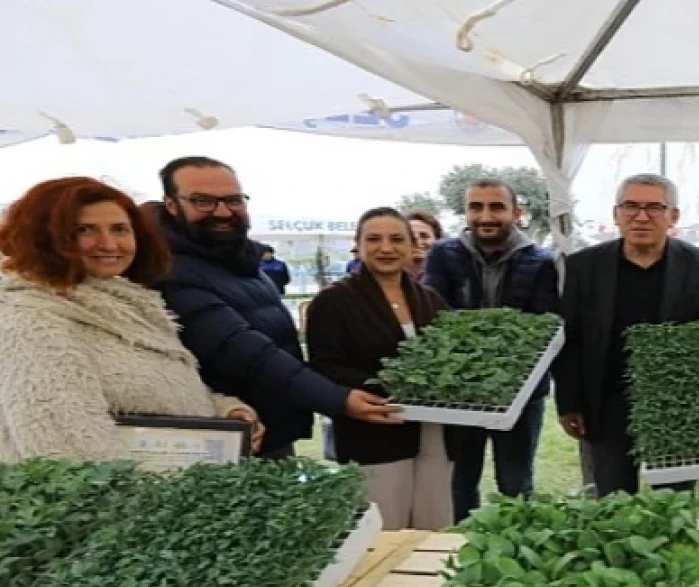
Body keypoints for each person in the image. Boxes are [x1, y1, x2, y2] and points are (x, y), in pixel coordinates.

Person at [0, 177, 262, 462]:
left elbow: (156, 394)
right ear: (42, 238)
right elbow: (63, 451)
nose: (109, 243)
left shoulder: (127, 303)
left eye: (120, 229)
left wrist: (223, 414)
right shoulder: (32, 319)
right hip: (111, 503)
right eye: (84, 230)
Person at [153, 156, 398, 459]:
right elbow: (245, 350)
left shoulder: (238, 259)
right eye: (203, 201)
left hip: (272, 429)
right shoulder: (172, 271)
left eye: (233, 200)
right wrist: (335, 398)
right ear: (172, 204)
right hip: (230, 437)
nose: (223, 212)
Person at [554, 173, 699, 495]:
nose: (641, 216)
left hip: (674, 406)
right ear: (616, 214)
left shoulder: (698, 264)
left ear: (672, 215)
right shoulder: (584, 266)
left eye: (654, 207)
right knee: (613, 500)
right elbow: (571, 338)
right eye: (631, 206)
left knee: (674, 501)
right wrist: (568, 402)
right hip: (606, 404)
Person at [307, 208, 455, 529]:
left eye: (397, 239)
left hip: (433, 432)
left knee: (433, 523)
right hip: (374, 430)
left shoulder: (431, 299)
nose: (386, 248)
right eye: (374, 239)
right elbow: (325, 367)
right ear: (357, 245)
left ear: (412, 245)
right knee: (383, 527)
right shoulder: (333, 302)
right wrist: (386, 385)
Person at [424, 178, 559, 521]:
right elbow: (435, 316)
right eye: (476, 207)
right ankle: (460, 547)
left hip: (523, 392)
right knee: (459, 480)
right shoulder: (443, 253)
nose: (486, 216)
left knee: (515, 481)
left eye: (496, 207)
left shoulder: (541, 261)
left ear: (517, 213)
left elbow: (542, 328)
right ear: (465, 212)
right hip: (457, 392)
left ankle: (518, 546)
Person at [404, 210, 443, 283]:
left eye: (424, 236)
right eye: (410, 236)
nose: (417, 241)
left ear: (438, 240)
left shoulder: (451, 278)